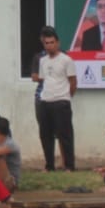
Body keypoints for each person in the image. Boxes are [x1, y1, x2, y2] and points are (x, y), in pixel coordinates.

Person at [31, 25, 78, 171]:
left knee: (65, 136)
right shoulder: (43, 61)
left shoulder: (66, 60)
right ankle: (49, 166)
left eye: (52, 43)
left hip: (61, 101)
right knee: (45, 135)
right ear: (43, 44)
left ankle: (69, 166)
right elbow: (43, 79)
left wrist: (65, 96)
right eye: (47, 43)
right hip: (45, 101)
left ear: (57, 43)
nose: (49, 46)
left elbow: (73, 82)